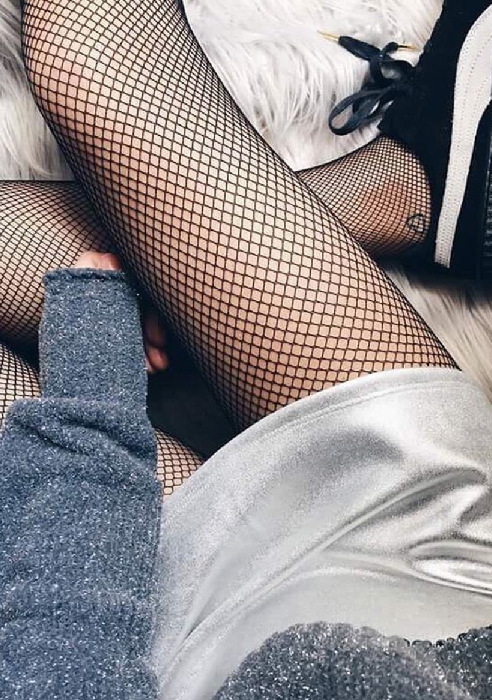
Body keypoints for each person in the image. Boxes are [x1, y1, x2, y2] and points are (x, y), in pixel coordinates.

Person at [0, 0, 491, 697]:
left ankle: (417, 193)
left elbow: (65, 657)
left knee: (93, 55)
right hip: (416, 559)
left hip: (161, 629)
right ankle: (411, 194)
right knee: (95, 59)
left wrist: (94, 377)